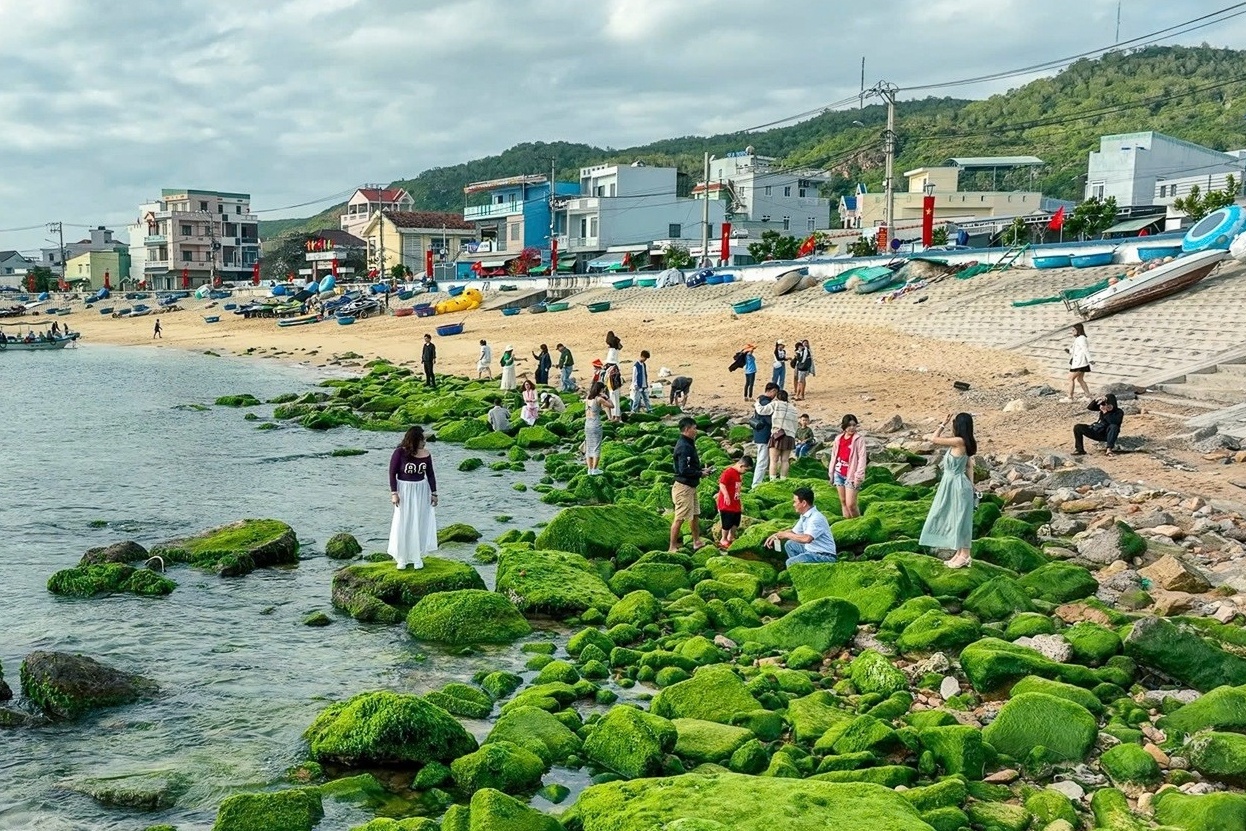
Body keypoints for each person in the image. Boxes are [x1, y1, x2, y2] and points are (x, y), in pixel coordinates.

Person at [919, 412, 978, 569]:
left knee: (961, 519)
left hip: (957, 484)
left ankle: (965, 555)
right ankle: (959, 553)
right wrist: (972, 485)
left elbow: (933, 439)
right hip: (954, 483)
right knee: (954, 517)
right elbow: (968, 465)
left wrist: (942, 424)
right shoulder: (964, 442)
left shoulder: (959, 441)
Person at [387, 426, 439, 570]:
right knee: (404, 521)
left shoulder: (426, 454)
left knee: (419, 521)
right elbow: (392, 474)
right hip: (404, 489)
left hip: (421, 489)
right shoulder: (399, 453)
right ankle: (402, 557)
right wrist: (394, 493)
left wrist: (434, 493)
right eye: (422, 439)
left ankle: (417, 556)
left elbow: (430, 474)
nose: (425, 442)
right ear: (415, 439)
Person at [670, 416, 712, 551]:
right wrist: (700, 474)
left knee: (694, 515)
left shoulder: (688, 443)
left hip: (691, 486)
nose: (696, 431)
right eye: (694, 428)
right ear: (687, 429)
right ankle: (672, 546)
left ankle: (696, 541)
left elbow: (689, 466)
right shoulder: (684, 446)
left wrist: (701, 470)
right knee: (680, 518)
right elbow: (683, 470)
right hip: (683, 488)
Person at [766, 487, 837, 566]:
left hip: (824, 555)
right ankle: (801, 566)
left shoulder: (816, 518)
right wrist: (776, 535)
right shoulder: (805, 515)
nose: (793, 505)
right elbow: (794, 532)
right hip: (811, 550)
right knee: (790, 544)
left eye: (795, 502)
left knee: (790, 563)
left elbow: (807, 539)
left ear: (804, 503)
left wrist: (786, 535)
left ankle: (799, 568)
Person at [830, 414, 867, 518]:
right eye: (849, 425)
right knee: (843, 502)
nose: (852, 428)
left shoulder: (859, 439)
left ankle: (858, 524)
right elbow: (834, 456)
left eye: (854, 425)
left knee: (851, 504)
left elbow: (862, 458)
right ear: (844, 426)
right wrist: (831, 473)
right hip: (839, 473)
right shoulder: (838, 439)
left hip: (852, 474)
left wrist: (859, 475)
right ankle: (847, 524)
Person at [715, 455, 753, 549]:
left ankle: (730, 537)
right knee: (727, 522)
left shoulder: (738, 474)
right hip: (726, 504)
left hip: (735, 502)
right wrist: (726, 495)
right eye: (746, 470)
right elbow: (722, 484)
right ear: (741, 465)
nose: (745, 472)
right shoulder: (728, 472)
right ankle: (723, 539)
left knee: (736, 521)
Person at [760, 389, 799, 480]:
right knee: (785, 460)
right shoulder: (793, 408)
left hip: (778, 435)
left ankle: (772, 480)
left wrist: (757, 402)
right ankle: (783, 479)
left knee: (774, 460)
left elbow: (762, 410)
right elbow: (795, 424)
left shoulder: (776, 404)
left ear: (777, 397)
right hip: (789, 436)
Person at [750, 382, 778, 488]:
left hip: (759, 434)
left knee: (762, 459)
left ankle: (757, 482)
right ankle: (756, 484)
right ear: (772, 391)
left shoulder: (760, 400)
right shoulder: (766, 402)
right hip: (763, 435)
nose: (775, 396)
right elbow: (768, 419)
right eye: (775, 392)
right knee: (762, 460)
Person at [584, 380, 612, 475]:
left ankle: (589, 469)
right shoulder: (599, 399)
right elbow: (611, 405)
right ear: (600, 390)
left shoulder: (588, 398)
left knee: (589, 447)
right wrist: (606, 397)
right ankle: (595, 469)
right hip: (595, 424)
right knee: (596, 447)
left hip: (587, 424)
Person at [1063, 323, 1092, 402]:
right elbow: (1075, 350)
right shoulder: (1079, 338)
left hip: (1080, 363)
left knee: (1070, 378)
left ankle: (1070, 398)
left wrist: (1090, 359)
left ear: (1078, 330)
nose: (1072, 332)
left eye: (1073, 330)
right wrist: (1069, 351)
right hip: (1080, 362)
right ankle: (1088, 396)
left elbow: (1085, 349)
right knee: (1080, 379)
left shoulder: (1081, 338)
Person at [604, 331, 623, 422]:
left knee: (613, 396)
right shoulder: (614, 350)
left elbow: (610, 362)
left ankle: (616, 416)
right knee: (614, 396)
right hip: (614, 374)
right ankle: (615, 415)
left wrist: (605, 367)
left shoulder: (612, 351)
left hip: (612, 375)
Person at [631, 350, 652, 414]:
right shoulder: (636, 366)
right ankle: (634, 411)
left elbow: (645, 374)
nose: (645, 360)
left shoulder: (644, 365)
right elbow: (634, 377)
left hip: (644, 385)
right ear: (642, 356)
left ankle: (649, 409)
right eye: (645, 358)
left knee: (646, 399)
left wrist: (646, 384)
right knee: (636, 400)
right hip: (638, 386)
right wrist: (635, 385)